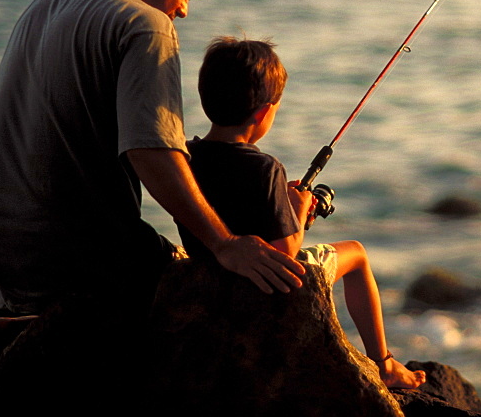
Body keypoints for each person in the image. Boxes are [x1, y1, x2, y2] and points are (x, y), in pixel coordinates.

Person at [0, 0, 306, 320]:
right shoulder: (144, 23)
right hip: (76, 254)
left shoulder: (44, 4)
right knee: (232, 296)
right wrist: (224, 243)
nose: (183, 9)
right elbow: (150, 152)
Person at [178, 36, 426, 389]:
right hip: (264, 285)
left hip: (209, 271)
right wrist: (297, 212)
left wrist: (286, 207)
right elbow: (286, 253)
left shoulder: (186, 157)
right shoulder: (266, 168)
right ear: (264, 112)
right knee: (356, 253)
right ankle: (383, 362)